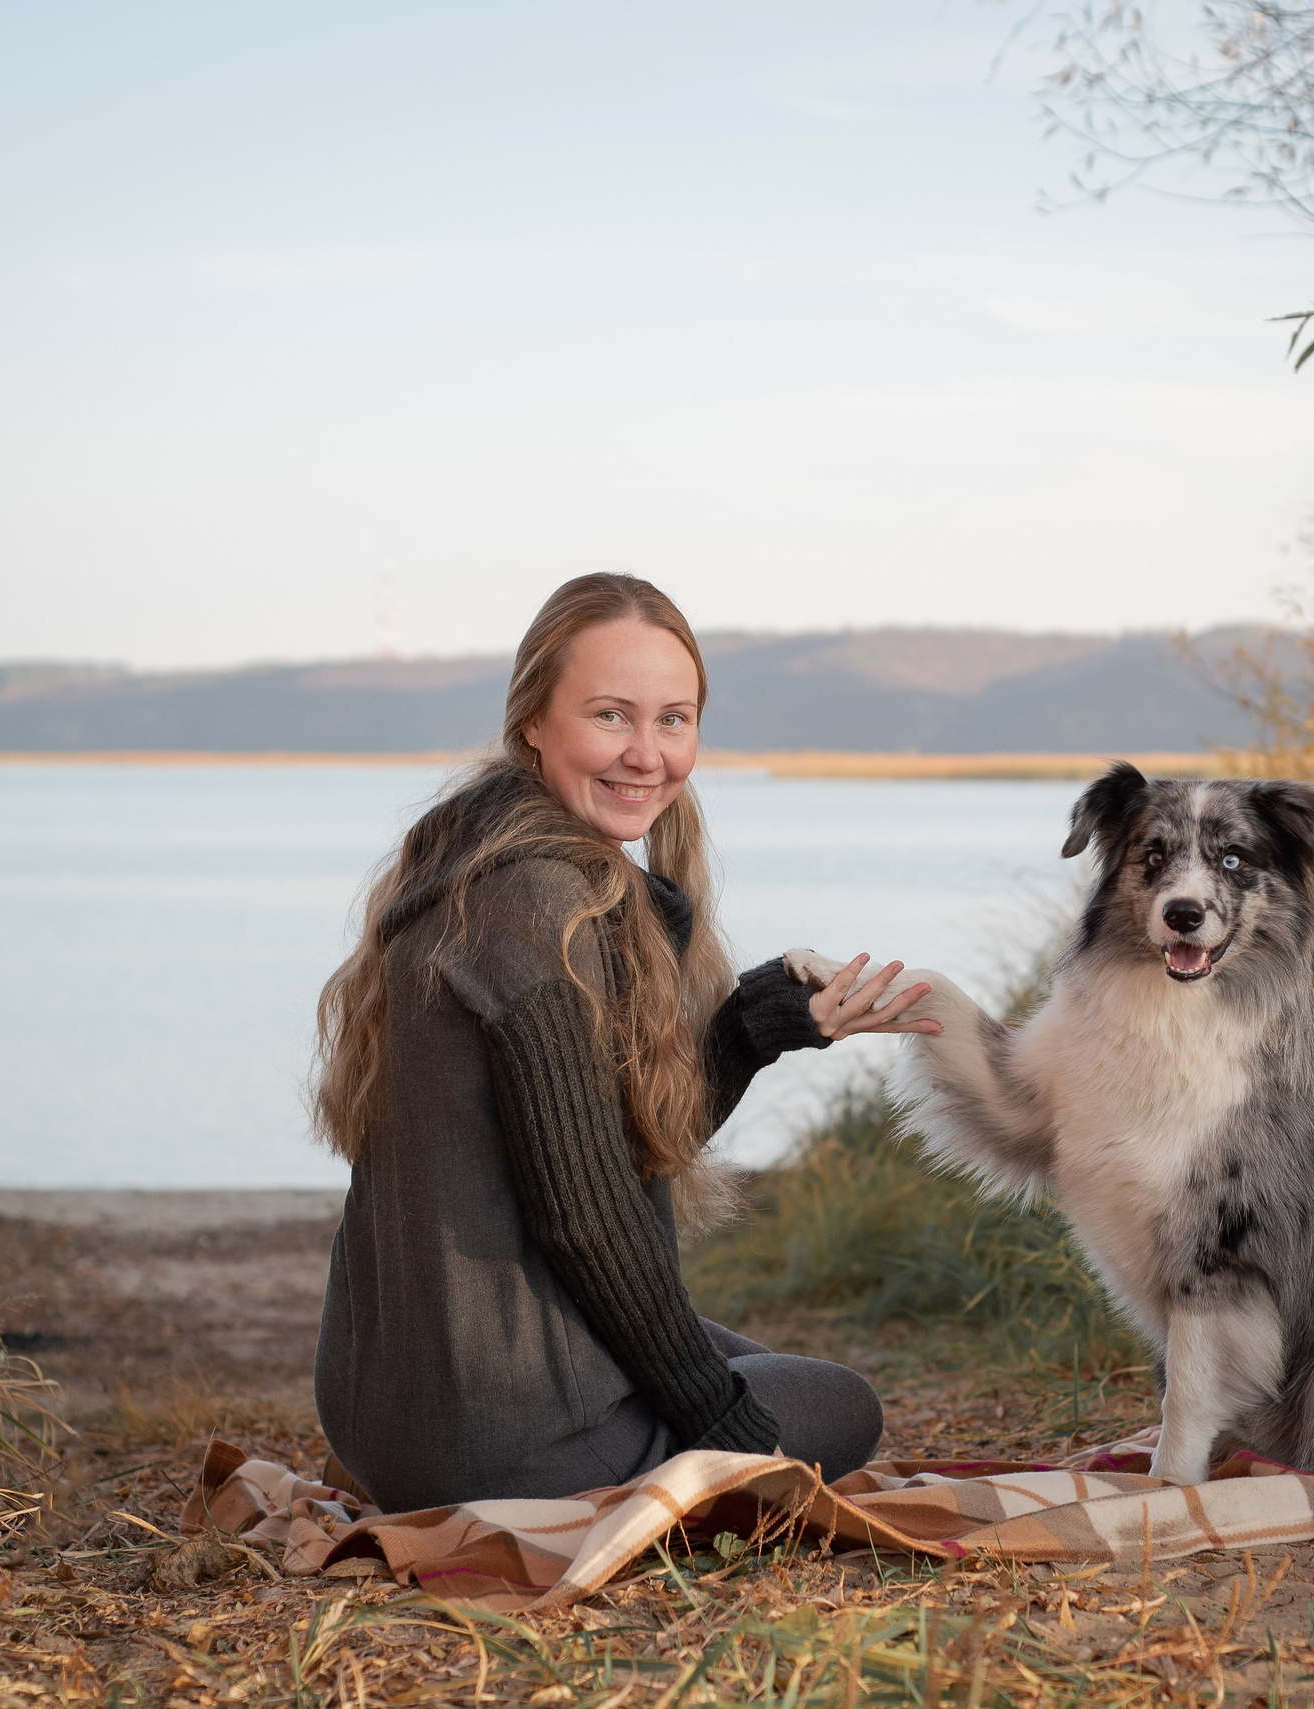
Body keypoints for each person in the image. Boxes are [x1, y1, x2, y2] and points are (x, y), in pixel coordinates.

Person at [311, 573, 937, 1513]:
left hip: (391, 1408)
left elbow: (615, 1143)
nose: (647, 754)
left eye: (673, 719)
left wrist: (756, 1024)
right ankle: (633, 1452)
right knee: (841, 1404)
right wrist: (729, 1442)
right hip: (494, 1436)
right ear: (534, 721)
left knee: (755, 1362)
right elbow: (589, 1217)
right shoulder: (536, 905)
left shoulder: (477, 859)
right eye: (610, 716)